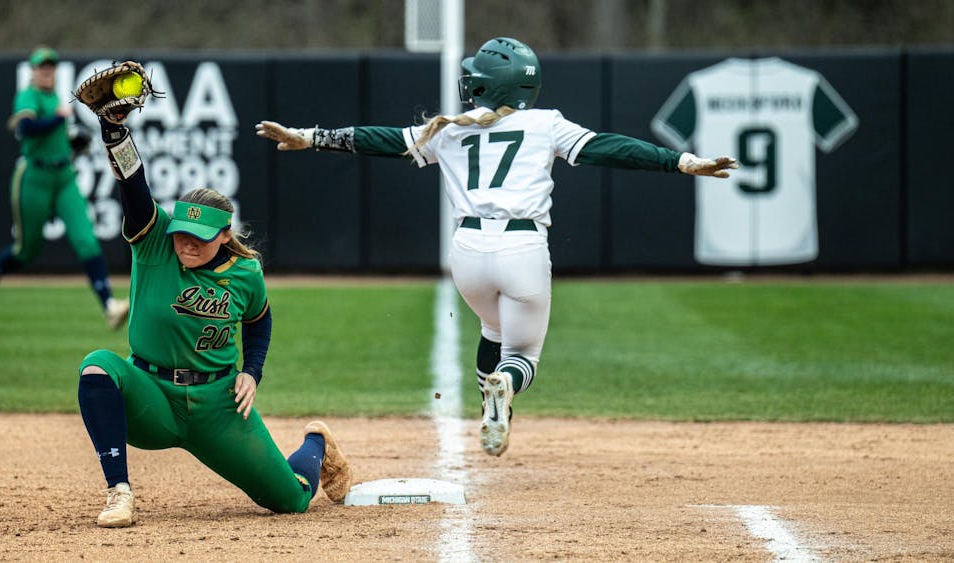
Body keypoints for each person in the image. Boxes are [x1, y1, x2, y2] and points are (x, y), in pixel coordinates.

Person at [255, 37, 738, 457]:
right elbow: (612, 148)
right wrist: (681, 162)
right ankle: (504, 384)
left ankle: (491, 397)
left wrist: (309, 136)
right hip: (522, 249)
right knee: (523, 354)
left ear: (490, 85)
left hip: (466, 253)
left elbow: (380, 140)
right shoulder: (546, 123)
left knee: (491, 325)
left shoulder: (447, 128)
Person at [75, 107, 352, 528]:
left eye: (200, 238)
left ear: (225, 234)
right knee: (97, 366)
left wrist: (252, 372)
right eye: (182, 233)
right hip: (152, 395)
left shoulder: (245, 272)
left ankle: (316, 442)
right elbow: (132, 182)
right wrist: (114, 132)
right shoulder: (154, 241)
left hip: (218, 406)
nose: (186, 243)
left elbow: (259, 320)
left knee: (291, 500)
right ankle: (119, 494)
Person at [0, 46, 129, 329]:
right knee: (26, 250)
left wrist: (71, 143)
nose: (47, 70)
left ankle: (109, 305)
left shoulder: (55, 97)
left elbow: (52, 135)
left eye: (51, 66)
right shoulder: (28, 96)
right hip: (34, 177)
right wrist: (58, 118)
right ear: (32, 71)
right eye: (41, 66)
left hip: (64, 176)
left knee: (86, 241)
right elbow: (26, 129)